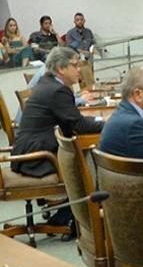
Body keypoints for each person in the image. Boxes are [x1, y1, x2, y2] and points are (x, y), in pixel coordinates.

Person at [12, 46, 102, 178]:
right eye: (75, 65)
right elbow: (79, 125)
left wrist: (100, 121)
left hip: (28, 152)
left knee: (86, 150)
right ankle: (88, 194)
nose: (79, 70)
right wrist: (109, 123)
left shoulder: (50, 83)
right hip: (36, 158)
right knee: (91, 156)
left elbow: (73, 122)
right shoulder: (57, 90)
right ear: (61, 68)